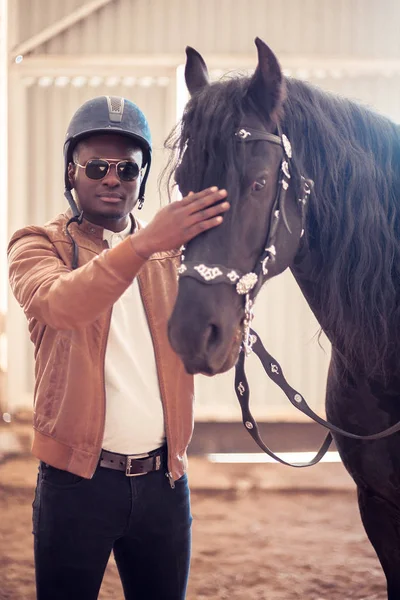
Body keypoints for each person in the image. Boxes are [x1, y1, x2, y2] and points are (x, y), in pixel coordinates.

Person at [7, 95, 229, 600]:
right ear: (72, 172)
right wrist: (145, 243)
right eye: (97, 166)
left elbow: (209, 354)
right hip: (75, 484)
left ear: (142, 179)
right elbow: (60, 305)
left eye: (128, 169)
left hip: (165, 483)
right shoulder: (37, 245)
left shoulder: (171, 256)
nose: (113, 178)